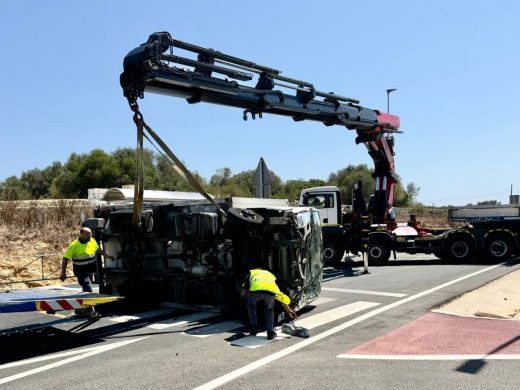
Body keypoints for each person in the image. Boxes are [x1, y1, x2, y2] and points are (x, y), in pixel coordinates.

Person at [60, 227, 114, 317]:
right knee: (88, 288)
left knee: (86, 289)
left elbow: (98, 249)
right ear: (81, 234)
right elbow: (65, 259)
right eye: (87, 235)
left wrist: (107, 256)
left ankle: (80, 308)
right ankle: (91, 311)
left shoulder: (92, 240)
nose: (89, 236)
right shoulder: (74, 245)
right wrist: (63, 273)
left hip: (90, 270)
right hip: (80, 271)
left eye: (90, 234)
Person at [240, 266, 297, 340]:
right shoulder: (269, 275)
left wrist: (243, 298)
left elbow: (243, 292)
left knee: (251, 306)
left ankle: (254, 328)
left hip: (255, 292)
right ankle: (270, 332)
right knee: (269, 309)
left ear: (256, 269)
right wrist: (289, 310)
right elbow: (278, 296)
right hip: (269, 294)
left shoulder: (252, 273)